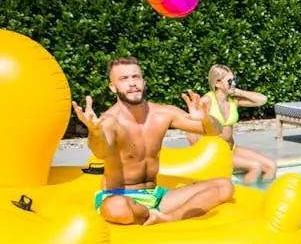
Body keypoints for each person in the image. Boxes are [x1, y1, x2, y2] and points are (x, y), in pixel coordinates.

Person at [73, 56, 234, 226]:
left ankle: (167, 218)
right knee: (116, 208)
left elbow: (214, 131)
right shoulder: (110, 121)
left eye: (136, 77)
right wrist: (94, 132)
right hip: (121, 196)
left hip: (156, 195)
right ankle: (150, 215)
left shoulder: (164, 113)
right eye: (124, 79)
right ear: (113, 87)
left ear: (144, 81)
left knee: (224, 186)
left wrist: (206, 118)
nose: (132, 83)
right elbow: (100, 151)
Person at [185, 64, 276, 185]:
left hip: (232, 149)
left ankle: (263, 195)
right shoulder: (206, 101)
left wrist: (237, 91)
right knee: (255, 167)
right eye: (229, 81)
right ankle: (247, 198)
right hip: (215, 153)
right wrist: (203, 157)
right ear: (217, 83)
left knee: (271, 166)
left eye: (235, 80)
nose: (233, 83)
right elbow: (190, 133)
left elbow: (262, 100)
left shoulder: (234, 100)